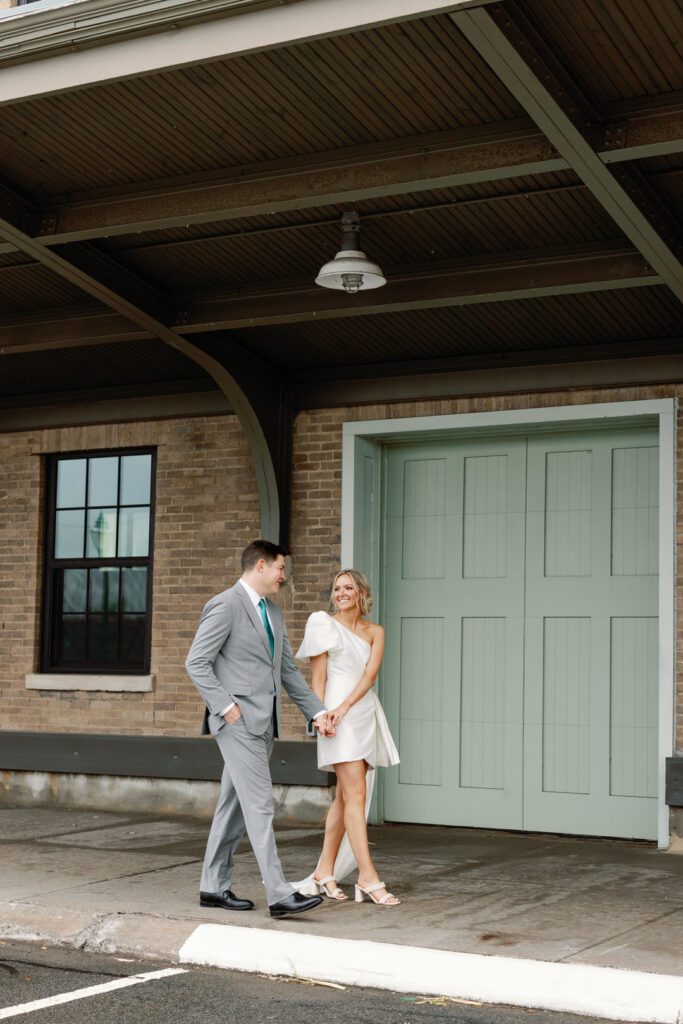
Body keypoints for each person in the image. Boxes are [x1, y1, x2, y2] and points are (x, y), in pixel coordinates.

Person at [185, 539, 331, 918]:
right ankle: (280, 894)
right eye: (281, 569)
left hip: (265, 724)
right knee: (260, 805)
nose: (284, 577)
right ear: (262, 566)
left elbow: (286, 672)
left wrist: (316, 712)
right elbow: (196, 662)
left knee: (233, 805)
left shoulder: (274, 614)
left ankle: (212, 886)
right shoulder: (225, 605)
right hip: (238, 723)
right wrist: (227, 707)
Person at [295, 569, 401, 906]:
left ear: (361, 593)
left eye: (348, 587)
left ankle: (324, 871)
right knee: (356, 795)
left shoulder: (375, 631)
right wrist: (322, 715)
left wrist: (346, 707)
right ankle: (368, 877)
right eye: (337, 588)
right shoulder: (322, 623)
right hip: (333, 719)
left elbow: (370, 676)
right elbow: (318, 676)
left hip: (362, 712)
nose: (342, 593)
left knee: (344, 797)